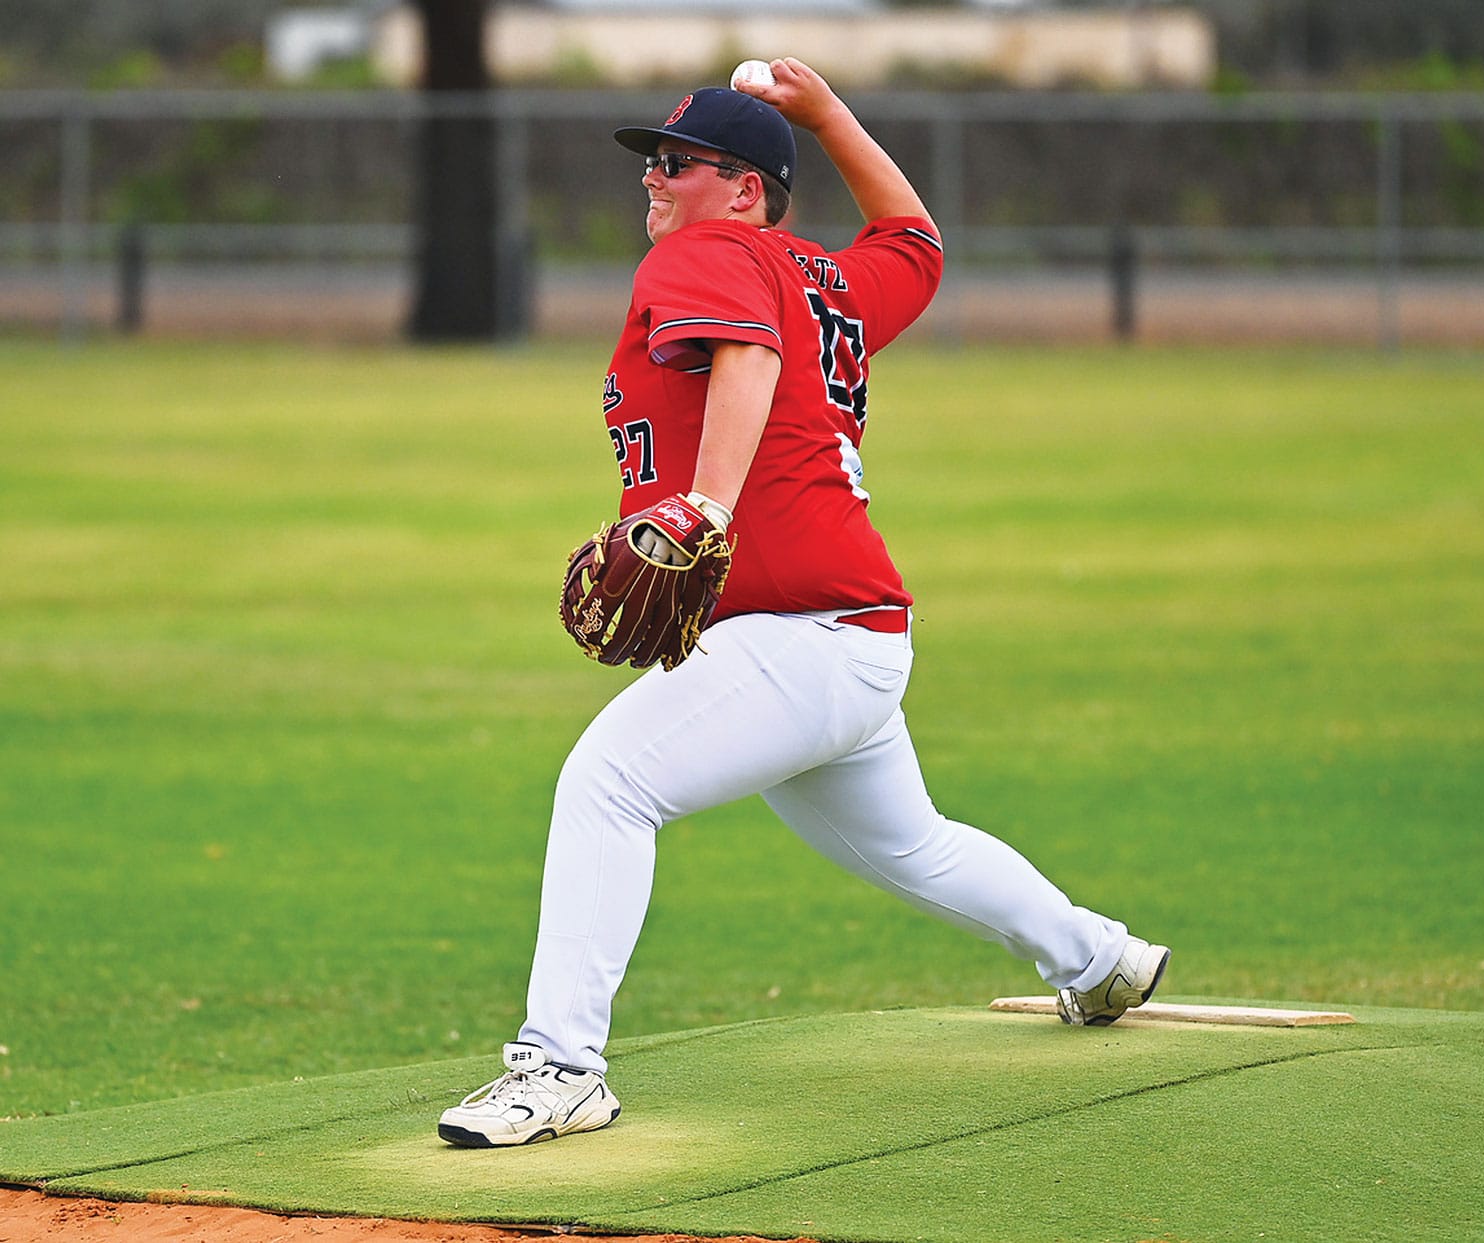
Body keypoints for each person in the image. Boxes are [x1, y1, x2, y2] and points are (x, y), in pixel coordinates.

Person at [437, 58, 1169, 1149]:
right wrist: (824, 112)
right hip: (851, 638)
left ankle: (560, 1065)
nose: (656, 177)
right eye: (654, 159)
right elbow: (915, 241)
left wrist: (705, 511)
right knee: (914, 845)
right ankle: (1100, 958)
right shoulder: (824, 274)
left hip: (802, 632)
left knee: (608, 782)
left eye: (680, 163)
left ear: (745, 189)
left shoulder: (713, 250)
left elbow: (745, 357)